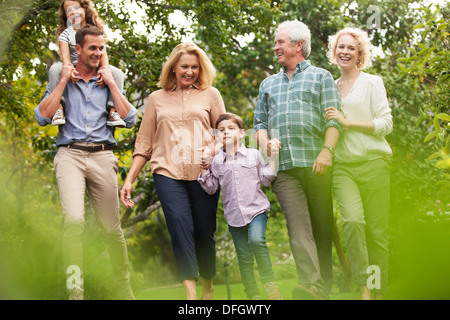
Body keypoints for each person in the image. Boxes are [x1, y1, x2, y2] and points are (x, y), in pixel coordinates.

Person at [34, 25, 137, 300]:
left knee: (111, 228)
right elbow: (42, 116)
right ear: (77, 49)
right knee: (74, 221)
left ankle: (122, 287)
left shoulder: (112, 76)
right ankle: (75, 290)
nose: (98, 53)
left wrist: (112, 84)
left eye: (101, 48)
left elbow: (129, 119)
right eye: (92, 48)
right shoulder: (62, 74)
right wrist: (62, 82)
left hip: (103, 155)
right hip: (70, 154)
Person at [120, 42, 226, 300]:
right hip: (166, 172)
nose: (189, 72)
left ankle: (208, 287)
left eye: (194, 67)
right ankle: (190, 294)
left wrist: (212, 150)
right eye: (184, 67)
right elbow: (144, 143)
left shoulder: (211, 95)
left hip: (204, 175)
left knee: (204, 231)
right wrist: (129, 179)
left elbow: (224, 133)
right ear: (174, 68)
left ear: (200, 69)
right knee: (179, 227)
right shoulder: (156, 98)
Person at [254, 20, 342, 299]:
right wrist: (264, 143)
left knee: (322, 226)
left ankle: (323, 288)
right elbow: (259, 124)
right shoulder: (268, 84)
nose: (275, 47)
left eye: (280, 42)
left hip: (316, 164)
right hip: (285, 168)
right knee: (298, 226)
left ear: (298, 45)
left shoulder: (321, 77)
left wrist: (327, 151)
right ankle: (313, 284)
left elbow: (334, 122)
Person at [325, 27, 393, 300]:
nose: (345, 51)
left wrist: (348, 122)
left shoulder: (372, 82)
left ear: (359, 54)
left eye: (351, 48)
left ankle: (378, 292)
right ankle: (364, 290)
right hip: (343, 168)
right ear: (334, 52)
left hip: (374, 163)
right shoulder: (329, 86)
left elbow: (385, 124)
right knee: (352, 222)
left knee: (377, 232)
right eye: (340, 47)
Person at [197, 113, 282, 300]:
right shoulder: (217, 161)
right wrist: (203, 167)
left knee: (257, 240)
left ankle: (270, 286)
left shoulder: (253, 155)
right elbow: (211, 188)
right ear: (217, 136)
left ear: (242, 133)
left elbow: (266, 179)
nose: (225, 132)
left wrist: (273, 158)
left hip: (257, 210)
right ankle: (253, 296)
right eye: (221, 130)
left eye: (231, 128)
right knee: (244, 258)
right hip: (234, 218)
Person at [48, 0, 126, 127]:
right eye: (68, 10)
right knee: (54, 70)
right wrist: (69, 71)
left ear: (85, 9)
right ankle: (58, 109)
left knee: (117, 73)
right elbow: (65, 59)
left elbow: (103, 56)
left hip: (95, 63)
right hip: (73, 64)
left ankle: (113, 112)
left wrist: (104, 71)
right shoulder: (65, 35)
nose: (73, 12)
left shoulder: (96, 31)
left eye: (76, 8)